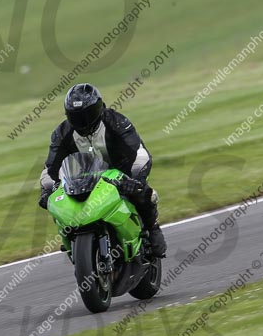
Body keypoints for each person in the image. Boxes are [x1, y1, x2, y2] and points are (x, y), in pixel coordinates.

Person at [39, 83, 167, 257]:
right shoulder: (62, 132)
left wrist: (137, 178)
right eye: (77, 117)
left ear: (99, 109)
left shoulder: (116, 121)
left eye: (88, 114)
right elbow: (50, 167)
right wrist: (47, 190)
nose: (83, 121)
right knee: (57, 202)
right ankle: (71, 240)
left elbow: (139, 152)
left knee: (141, 192)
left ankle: (152, 228)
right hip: (83, 177)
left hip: (121, 172)